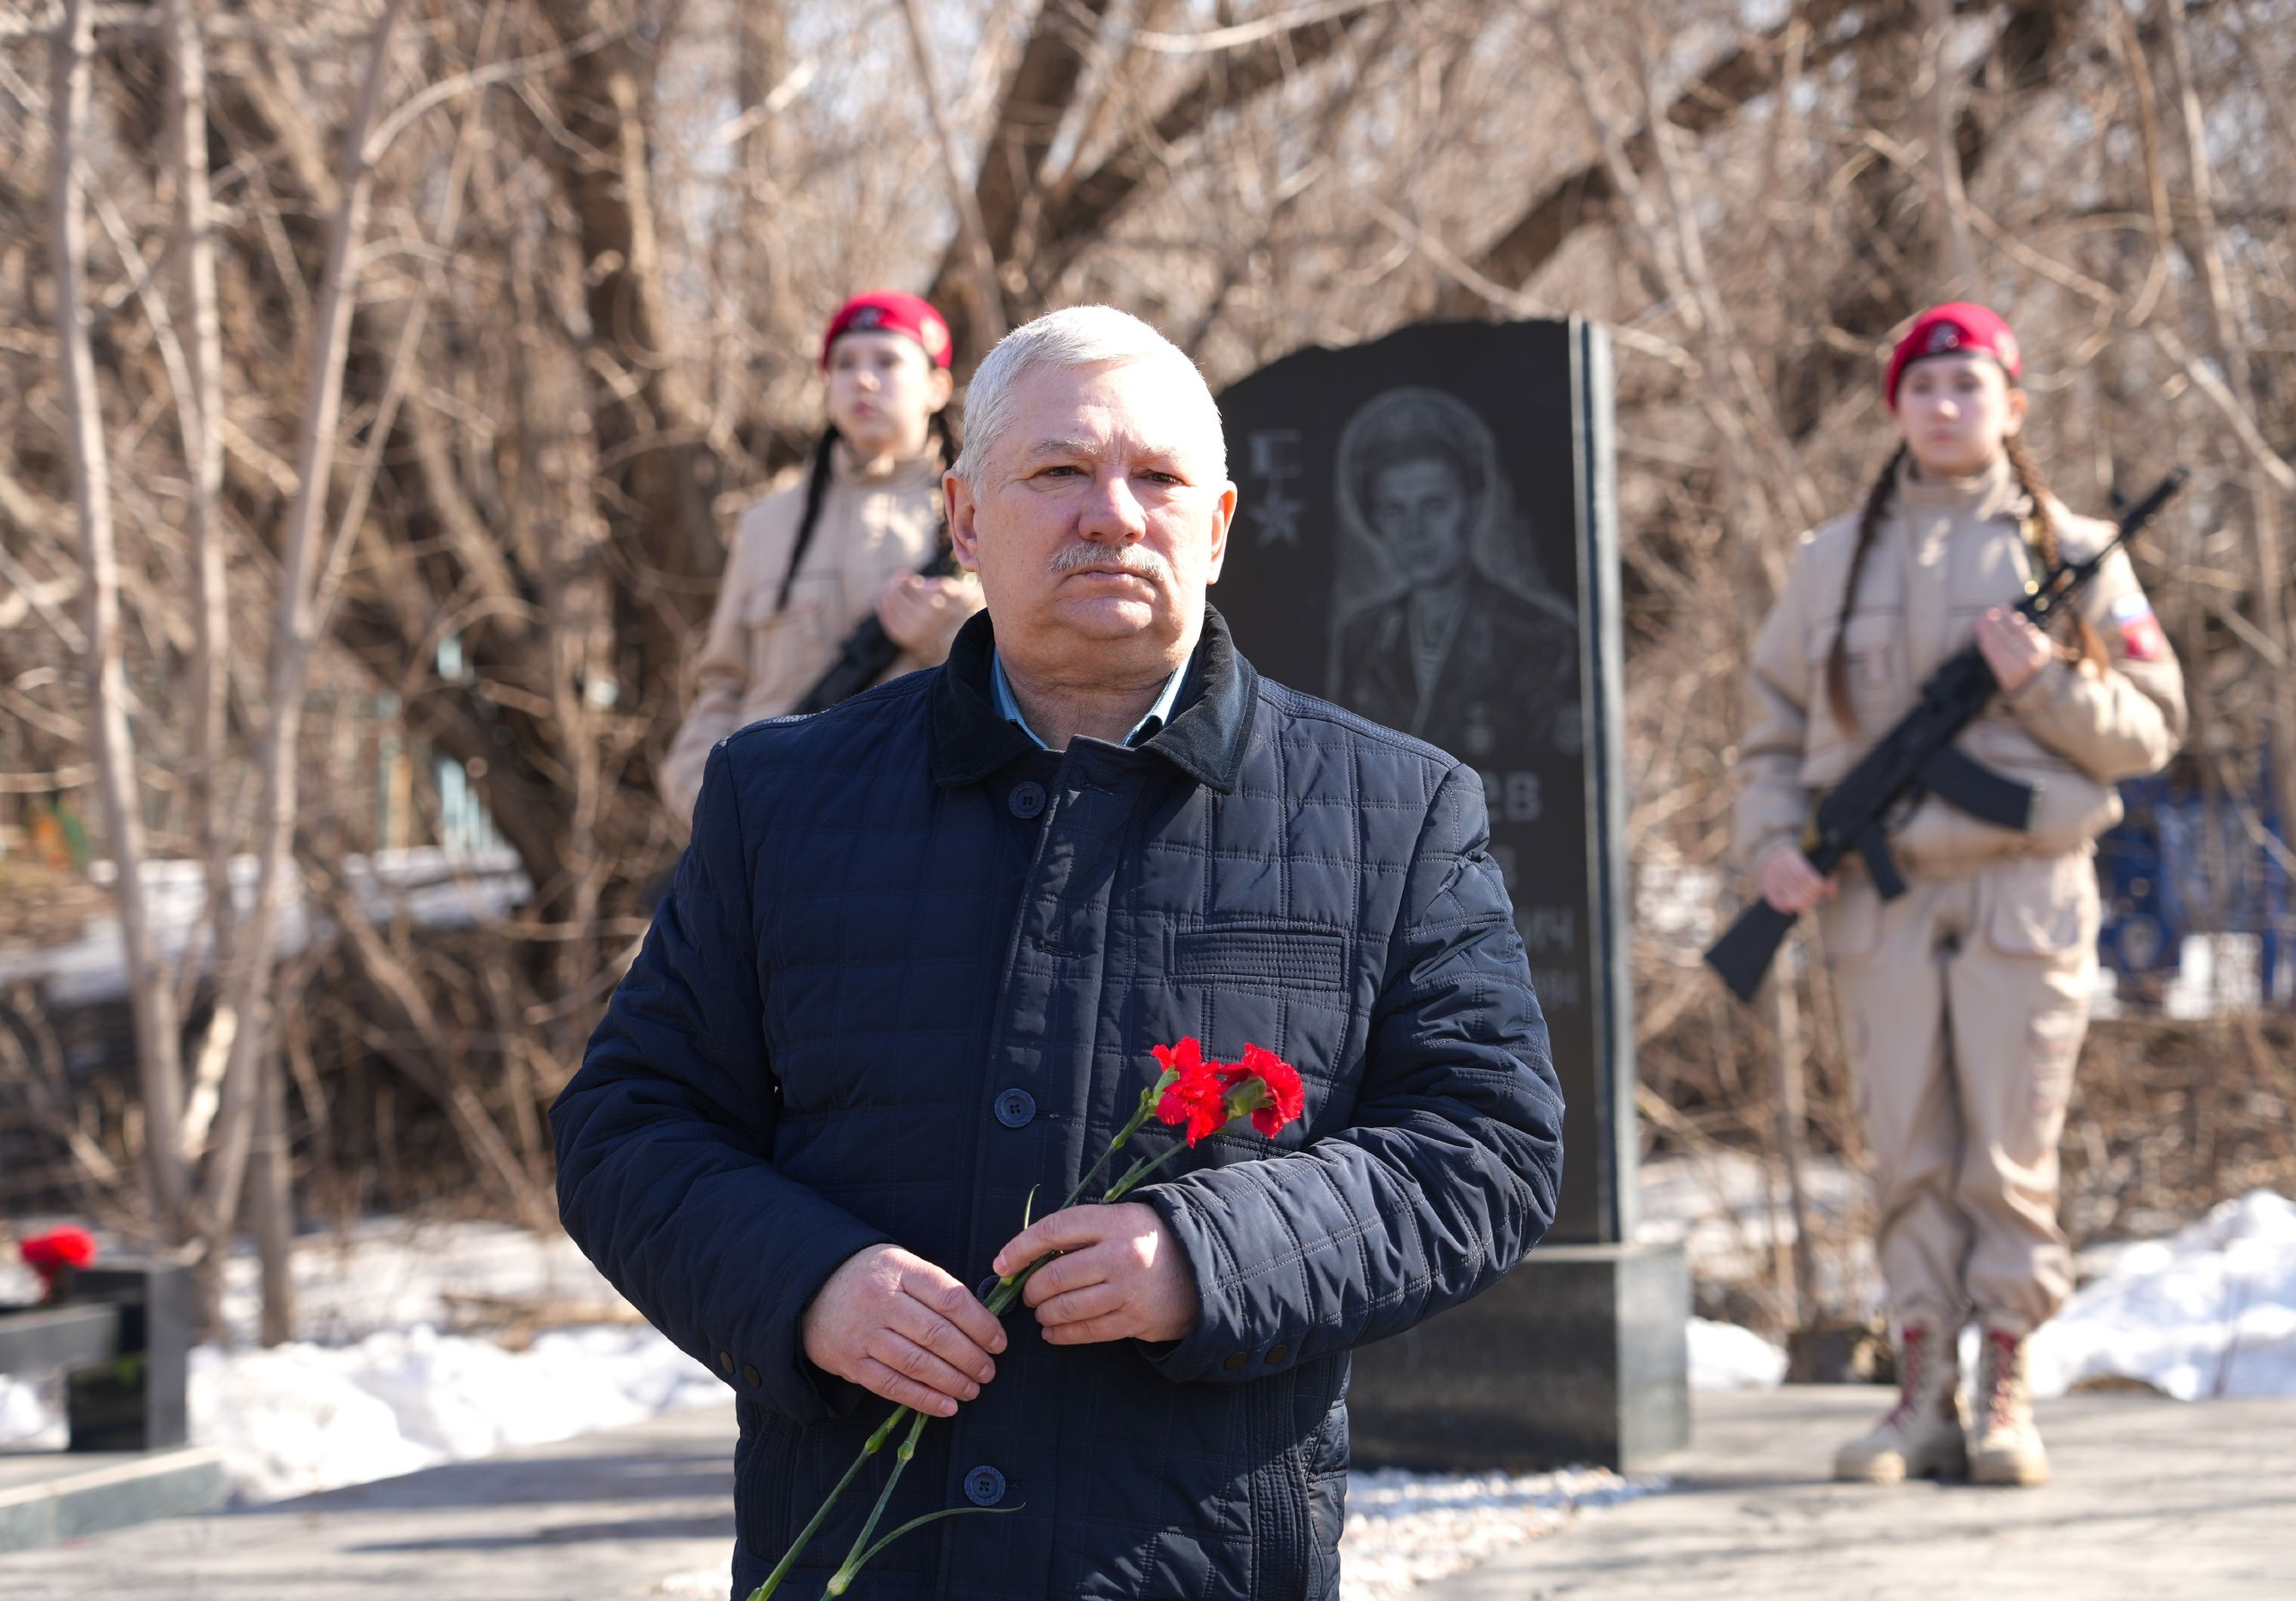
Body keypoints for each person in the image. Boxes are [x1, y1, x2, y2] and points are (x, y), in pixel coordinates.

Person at [555, 305, 1565, 1599]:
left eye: (1156, 477)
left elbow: (1489, 1143)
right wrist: (805, 1284)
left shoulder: (1393, 809)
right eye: (1058, 472)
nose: (1111, 513)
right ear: (965, 518)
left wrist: (1213, 1256)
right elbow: (628, 1123)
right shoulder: (784, 799)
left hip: (1195, 1560)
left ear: (1217, 524)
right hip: (860, 1550)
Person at [1734, 303, 2186, 1487]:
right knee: (1906, 1151)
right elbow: (1772, 732)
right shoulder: (1832, 560)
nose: (1945, 406)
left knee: (2011, 1153)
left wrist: (2041, 689)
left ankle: (2004, 1384)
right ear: (1895, 407)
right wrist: (1772, 845)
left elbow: (2152, 730)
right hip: (1877, 903)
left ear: (2012, 406)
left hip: (2023, 894)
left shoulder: (2073, 552)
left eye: (1969, 385)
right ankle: (1919, 1389)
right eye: (1924, 387)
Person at [657, 291, 983, 824]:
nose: (864, 379)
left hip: (924, 826)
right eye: (845, 364)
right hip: (773, 828)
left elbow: (1035, 675)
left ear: (937, 386)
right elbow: (725, 680)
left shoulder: (979, 515)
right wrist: (701, 788)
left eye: (887, 360)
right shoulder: (766, 523)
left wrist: (951, 630)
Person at [1329, 387, 1578, 764]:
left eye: (1434, 505)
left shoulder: (1539, 636)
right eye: (1395, 511)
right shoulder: (1362, 638)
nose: (1415, 531)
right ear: (1374, 521)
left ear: (1473, 506)